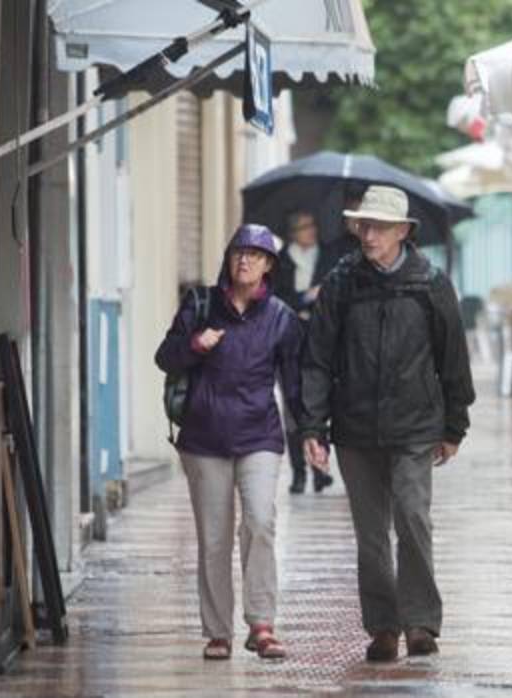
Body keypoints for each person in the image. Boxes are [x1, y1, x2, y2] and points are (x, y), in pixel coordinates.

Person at [298, 185, 476, 662]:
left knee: (413, 518)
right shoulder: (341, 283)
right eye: (363, 225)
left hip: (415, 425)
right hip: (355, 427)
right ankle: (382, 626)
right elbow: (316, 358)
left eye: (378, 226)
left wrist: (454, 426)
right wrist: (312, 427)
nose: (368, 234)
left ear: (402, 232)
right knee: (371, 533)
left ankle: (420, 622)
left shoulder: (430, 283)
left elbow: (453, 358)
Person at [154, 224, 300, 661]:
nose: (245, 260)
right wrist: (195, 344)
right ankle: (218, 631)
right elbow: (165, 357)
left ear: (268, 265)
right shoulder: (201, 305)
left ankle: (262, 623)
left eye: (255, 255)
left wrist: (313, 433)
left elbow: (294, 383)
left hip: (259, 436)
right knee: (214, 539)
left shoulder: (280, 317)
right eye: (239, 252)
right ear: (229, 258)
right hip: (204, 437)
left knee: (260, 521)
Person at [273, 209, 335, 493]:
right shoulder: (280, 261)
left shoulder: (329, 257)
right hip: (289, 342)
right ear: (292, 233)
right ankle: (298, 473)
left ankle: (320, 470)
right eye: (302, 226)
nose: (310, 230)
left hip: (320, 340)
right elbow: (276, 299)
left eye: (312, 225)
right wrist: (306, 297)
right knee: (292, 407)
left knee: (318, 403)